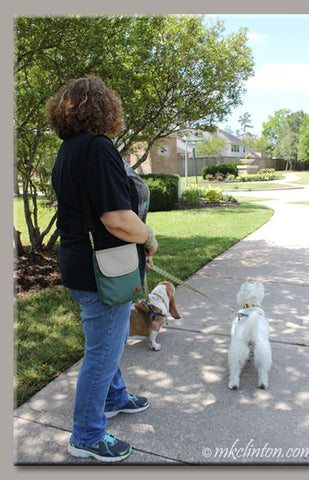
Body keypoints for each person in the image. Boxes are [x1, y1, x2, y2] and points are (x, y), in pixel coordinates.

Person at [45, 75, 158, 463]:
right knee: (103, 352)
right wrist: (148, 237)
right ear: (105, 108)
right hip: (102, 271)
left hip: (79, 263)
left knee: (105, 342)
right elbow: (116, 218)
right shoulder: (99, 148)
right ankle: (87, 435)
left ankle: (115, 397)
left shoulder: (68, 149)